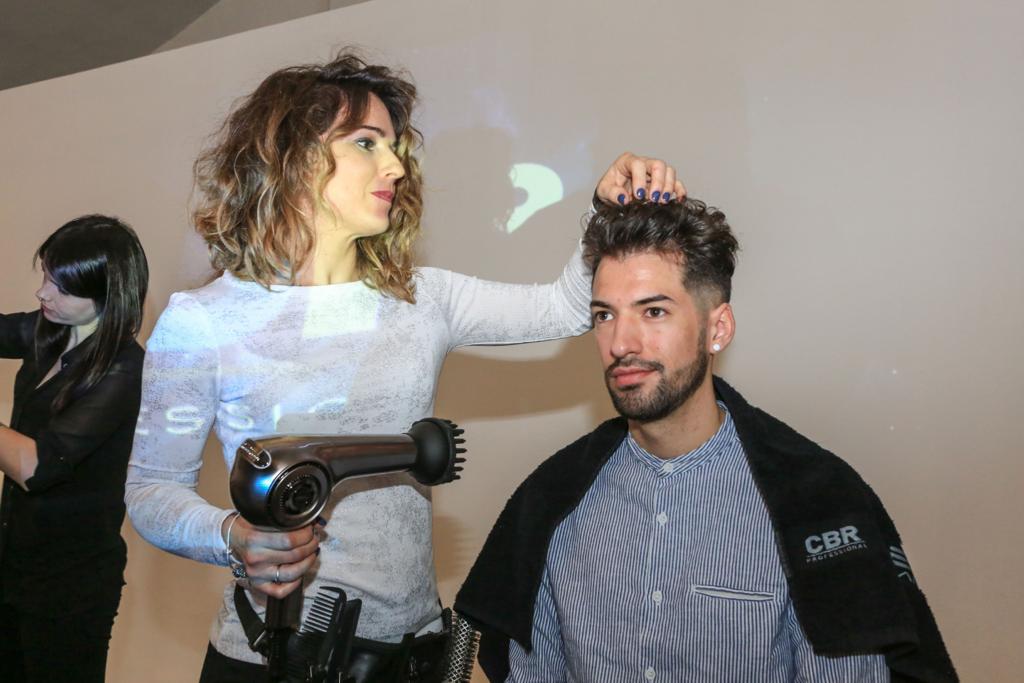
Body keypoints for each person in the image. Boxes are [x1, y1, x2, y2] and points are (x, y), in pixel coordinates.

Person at [124, 49, 684, 681]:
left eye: (394, 146)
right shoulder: (201, 320)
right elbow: (151, 492)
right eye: (367, 142)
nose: (394, 164)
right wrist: (234, 537)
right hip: (271, 661)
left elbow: (563, 307)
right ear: (294, 154)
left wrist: (607, 205)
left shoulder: (423, 300)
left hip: (413, 659)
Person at [456, 200, 959, 682]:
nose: (621, 343)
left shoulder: (811, 501)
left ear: (717, 328)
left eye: (653, 312)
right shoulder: (550, 505)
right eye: (604, 315)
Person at [0, 215, 149, 682]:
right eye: (45, 276)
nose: (44, 293)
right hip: (14, 564)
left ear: (108, 296)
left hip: (71, 584)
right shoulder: (49, 331)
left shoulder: (123, 371)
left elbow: (37, 467)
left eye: (61, 287)